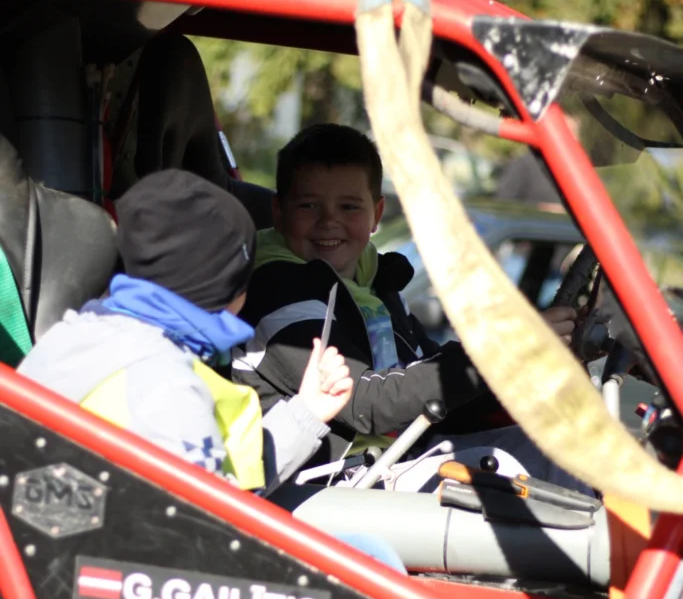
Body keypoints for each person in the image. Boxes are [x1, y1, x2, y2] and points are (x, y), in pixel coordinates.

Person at [232, 124, 584, 491]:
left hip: (390, 459)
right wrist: (496, 354)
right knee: (532, 472)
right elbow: (363, 403)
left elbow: (432, 383)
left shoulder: (374, 282)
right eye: (309, 205)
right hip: (319, 483)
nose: (329, 221)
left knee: (565, 445)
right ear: (279, 212)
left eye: (349, 207)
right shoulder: (276, 289)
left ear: (377, 214)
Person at [18, 169, 354, 494]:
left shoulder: (74, 333)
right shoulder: (166, 383)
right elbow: (211, 517)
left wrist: (306, 412)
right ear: (226, 286)